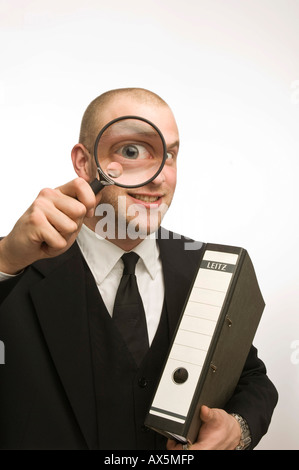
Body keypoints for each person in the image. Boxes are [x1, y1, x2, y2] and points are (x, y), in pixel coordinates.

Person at [0, 88, 278, 450]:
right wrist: (5, 259)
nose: (159, 176)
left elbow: (250, 378)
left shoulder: (205, 265)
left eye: (171, 154)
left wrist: (236, 429)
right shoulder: (16, 266)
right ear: (84, 163)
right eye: (132, 151)